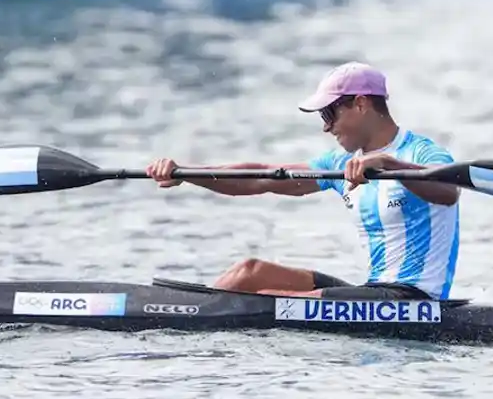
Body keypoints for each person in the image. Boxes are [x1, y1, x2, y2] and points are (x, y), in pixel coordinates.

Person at [145, 61, 461, 301]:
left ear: (361, 104)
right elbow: (260, 178)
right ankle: (191, 312)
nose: (326, 127)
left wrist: (388, 164)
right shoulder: (339, 164)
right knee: (250, 273)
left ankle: (189, 317)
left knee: (270, 299)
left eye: (329, 114)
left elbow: (449, 192)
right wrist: (186, 174)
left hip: (414, 298)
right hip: (373, 292)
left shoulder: (423, 152)